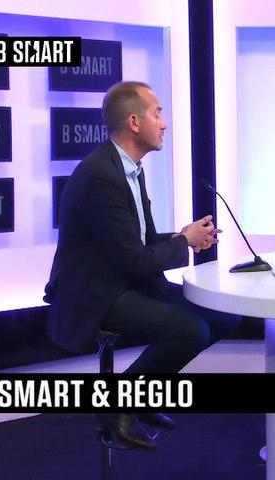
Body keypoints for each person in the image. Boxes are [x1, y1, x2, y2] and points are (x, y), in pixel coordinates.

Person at [44, 81, 229, 448]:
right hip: (95, 296)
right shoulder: (101, 175)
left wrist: (184, 236)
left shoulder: (129, 168)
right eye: (157, 114)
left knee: (225, 317)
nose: (164, 123)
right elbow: (134, 260)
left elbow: (139, 241)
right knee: (191, 330)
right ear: (133, 122)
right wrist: (183, 243)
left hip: (127, 282)